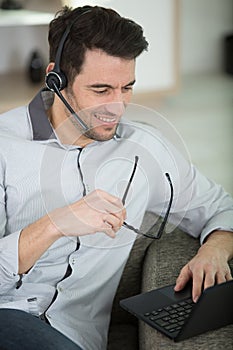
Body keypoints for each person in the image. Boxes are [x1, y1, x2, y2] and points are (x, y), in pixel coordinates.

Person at [0, 5, 232, 350]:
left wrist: (214, 250)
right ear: (56, 79)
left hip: (75, 337)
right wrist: (54, 225)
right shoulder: (6, 145)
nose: (117, 107)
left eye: (127, 88)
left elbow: (220, 208)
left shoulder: (145, 149)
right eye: (101, 90)